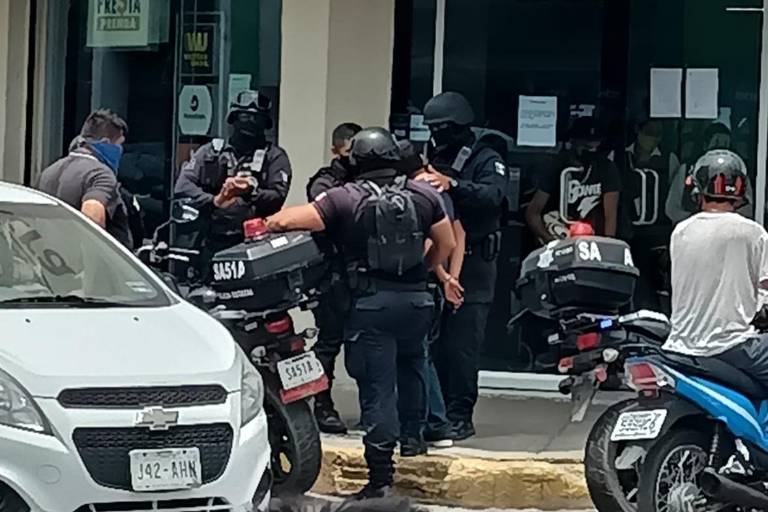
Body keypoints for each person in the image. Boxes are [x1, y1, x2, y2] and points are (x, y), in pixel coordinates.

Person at [266, 127, 456, 499]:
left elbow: (288, 221)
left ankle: (380, 478)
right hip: (418, 301)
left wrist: (268, 222)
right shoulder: (423, 193)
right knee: (414, 366)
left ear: (356, 161)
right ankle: (414, 441)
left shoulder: (344, 198)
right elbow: (446, 243)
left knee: (378, 389)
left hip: (371, 304)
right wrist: (421, 269)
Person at [417, 91, 507, 440]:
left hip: (475, 263)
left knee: (463, 344)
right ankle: (433, 414)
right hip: (437, 259)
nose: (437, 135)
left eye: (443, 128)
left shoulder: (486, 157)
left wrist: (452, 184)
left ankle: (459, 415)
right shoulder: (433, 156)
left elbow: (493, 196)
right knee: (434, 344)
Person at [663, 150, 768, 387]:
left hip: (681, 344)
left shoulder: (681, 232)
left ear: (697, 191)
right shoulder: (753, 233)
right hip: (731, 347)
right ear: (741, 193)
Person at [175, 89, 292, 269]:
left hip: (256, 244)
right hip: (213, 241)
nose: (250, 123)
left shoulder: (274, 156)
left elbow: (278, 195)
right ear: (234, 119)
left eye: (256, 119)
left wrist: (250, 191)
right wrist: (215, 200)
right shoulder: (211, 153)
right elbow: (183, 186)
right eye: (244, 117)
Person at [399, 140, 464, 448]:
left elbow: (431, 242)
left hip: (422, 281)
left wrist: (436, 271)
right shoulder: (438, 189)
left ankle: (435, 423)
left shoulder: (414, 193)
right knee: (423, 355)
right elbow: (457, 236)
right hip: (439, 282)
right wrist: (453, 276)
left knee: (417, 356)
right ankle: (434, 422)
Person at [306, 122, 362, 434]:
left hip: (366, 273)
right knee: (328, 343)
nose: (355, 156)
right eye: (349, 150)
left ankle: (372, 408)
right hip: (332, 275)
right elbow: (328, 210)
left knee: (369, 345)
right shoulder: (325, 181)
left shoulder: (372, 180)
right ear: (336, 150)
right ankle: (322, 405)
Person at [37, 109, 133, 248]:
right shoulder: (100, 174)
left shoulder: (49, 172)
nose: (120, 150)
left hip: (52, 258)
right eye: (119, 144)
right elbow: (92, 219)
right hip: (85, 264)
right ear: (106, 142)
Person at [526, 116, 621, 244]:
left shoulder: (606, 168)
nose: (591, 148)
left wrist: (608, 244)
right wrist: (549, 240)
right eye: (585, 144)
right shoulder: (557, 165)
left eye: (595, 143)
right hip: (559, 235)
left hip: (594, 241)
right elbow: (533, 212)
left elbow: (610, 215)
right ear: (573, 141)